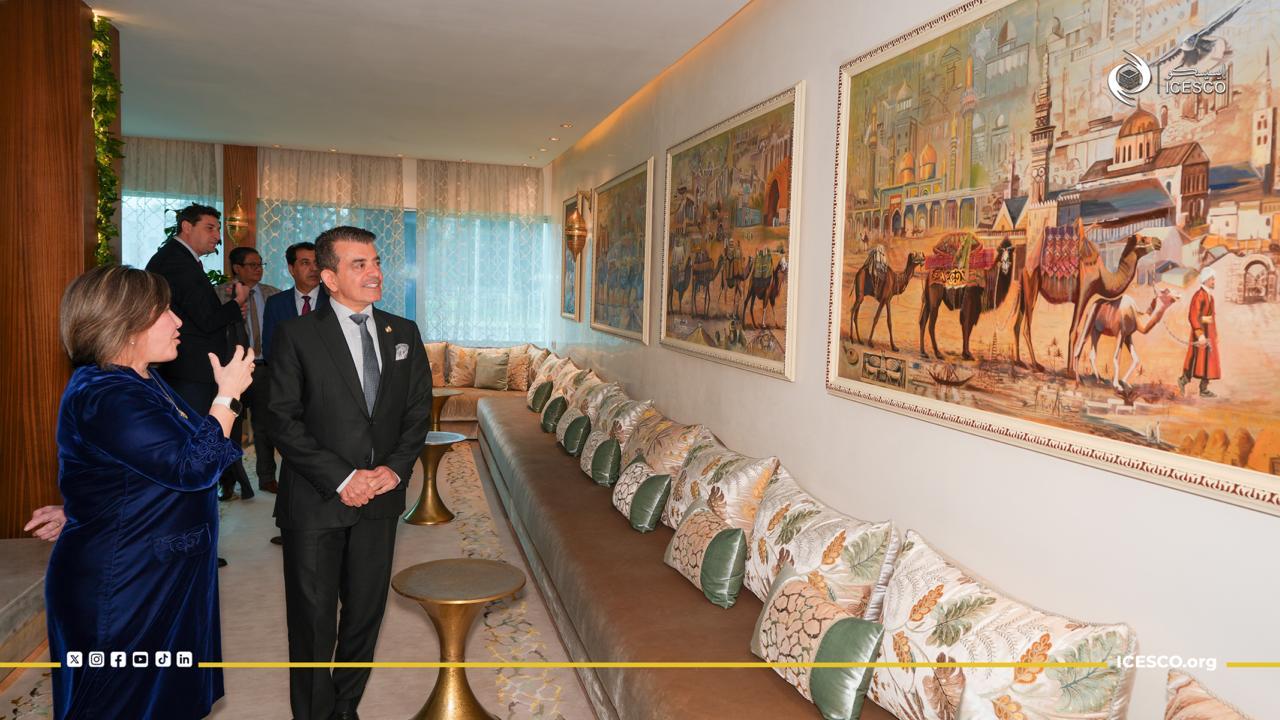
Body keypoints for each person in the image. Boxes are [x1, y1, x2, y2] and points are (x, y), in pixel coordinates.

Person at [42, 265, 254, 719]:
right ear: (126, 324)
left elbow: (138, 462)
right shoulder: (107, 392)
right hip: (126, 584)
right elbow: (193, 466)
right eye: (164, 312)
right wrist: (228, 397)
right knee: (119, 704)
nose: (178, 321)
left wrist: (92, 503)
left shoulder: (138, 378)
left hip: (158, 570)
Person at [267, 226, 431, 720]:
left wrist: (395, 470)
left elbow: (417, 413)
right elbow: (282, 419)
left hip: (380, 498)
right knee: (313, 622)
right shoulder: (297, 334)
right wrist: (343, 478)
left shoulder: (403, 333)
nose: (375, 272)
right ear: (330, 277)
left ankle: (345, 709)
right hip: (317, 500)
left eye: (376, 261)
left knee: (364, 616)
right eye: (359, 264)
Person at [146, 204, 249, 527]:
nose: (217, 236)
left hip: (189, 369)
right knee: (197, 446)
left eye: (218, 229)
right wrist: (237, 304)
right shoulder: (177, 262)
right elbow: (206, 319)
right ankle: (189, 524)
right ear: (186, 227)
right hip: (190, 371)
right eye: (210, 228)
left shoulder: (179, 259)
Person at [218, 246, 280, 497]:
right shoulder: (220, 294)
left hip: (264, 368)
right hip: (233, 370)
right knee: (230, 427)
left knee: (265, 426)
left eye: (260, 264)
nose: (258, 269)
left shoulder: (272, 294)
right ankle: (228, 482)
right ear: (237, 268)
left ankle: (267, 477)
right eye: (252, 265)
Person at [1179, 266, 1221, 397]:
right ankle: (1183, 381)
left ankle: (1204, 389)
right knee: (1195, 359)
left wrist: (1215, 334)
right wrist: (1200, 334)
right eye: (1212, 279)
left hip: (1209, 334)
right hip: (1201, 334)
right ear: (1206, 280)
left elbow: (1211, 317)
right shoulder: (1199, 296)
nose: (1214, 281)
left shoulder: (1210, 297)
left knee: (1208, 361)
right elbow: (1193, 316)